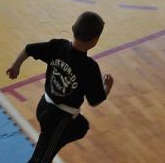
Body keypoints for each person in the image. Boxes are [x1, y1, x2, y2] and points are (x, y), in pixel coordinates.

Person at [6, 11, 114, 163]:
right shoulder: (90, 67)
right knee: (41, 159)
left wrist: (15, 66)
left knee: (81, 127)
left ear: (73, 27)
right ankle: (52, 143)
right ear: (95, 40)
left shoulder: (58, 46)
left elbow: (28, 49)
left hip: (44, 106)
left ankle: (53, 142)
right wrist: (106, 87)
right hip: (58, 120)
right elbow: (95, 101)